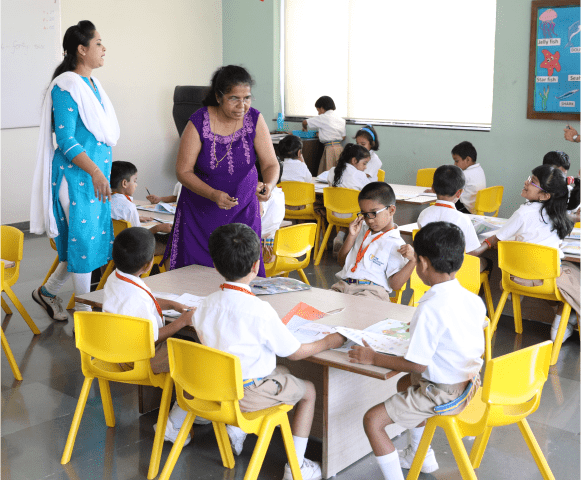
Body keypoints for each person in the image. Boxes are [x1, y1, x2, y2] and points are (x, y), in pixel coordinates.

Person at [164, 223, 345, 480]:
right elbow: (294, 352)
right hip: (244, 396)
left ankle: (236, 431)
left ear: (215, 265)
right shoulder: (260, 311)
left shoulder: (204, 306)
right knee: (309, 390)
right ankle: (296, 467)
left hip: (208, 390)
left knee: (280, 370)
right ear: (255, 266)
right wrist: (328, 342)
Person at [349, 222, 486, 480]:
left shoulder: (430, 307)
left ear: (422, 263)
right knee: (404, 384)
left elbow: (417, 365)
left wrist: (373, 357)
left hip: (443, 394)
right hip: (470, 384)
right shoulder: (472, 299)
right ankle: (418, 454)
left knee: (373, 421)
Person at [30, 21, 119, 321]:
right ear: (81, 49)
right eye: (98, 43)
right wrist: (95, 172)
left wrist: (98, 173)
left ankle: (47, 292)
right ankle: (84, 312)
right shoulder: (65, 86)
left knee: (85, 241)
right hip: (76, 177)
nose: (104, 48)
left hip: (94, 176)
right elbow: (66, 139)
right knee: (83, 242)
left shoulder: (93, 85)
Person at [161, 65, 280, 276]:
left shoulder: (254, 119)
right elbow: (183, 171)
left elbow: (271, 163)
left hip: (244, 211)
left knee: (242, 271)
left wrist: (269, 185)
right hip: (200, 213)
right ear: (218, 96)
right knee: (194, 276)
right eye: (234, 98)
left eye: (247, 98)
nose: (242, 105)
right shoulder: (198, 122)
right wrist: (212, 194)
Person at [471, 165, 578, 342]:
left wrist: (480, 248)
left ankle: (562, 318)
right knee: (572, 273)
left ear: (544, 195)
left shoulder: (523, 213)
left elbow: (497, 238)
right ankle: (562, 317)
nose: (526, 182)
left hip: (515, 279)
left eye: (533, 181)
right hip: (547, 282)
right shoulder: (558, 216)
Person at [102, 228, 194, 373]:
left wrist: (172, 304)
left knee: (184, 343)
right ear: (147, 265)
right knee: (194, 353)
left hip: (116, 347)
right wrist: (182, 321)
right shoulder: (135, 296)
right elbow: (152, 339)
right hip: (139, 358)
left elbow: (144, 300)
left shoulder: (115, 277)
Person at [331, 182, 415, 302]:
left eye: (374, 213)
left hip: (371, 291)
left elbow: (395, 285)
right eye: (365, 214)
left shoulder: (396, 243)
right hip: (343, 286)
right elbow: (341, 262)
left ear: (391, 210)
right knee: (318, 305)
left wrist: (413, 260)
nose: (369, 220)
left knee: (356, 309)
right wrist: (351, 236)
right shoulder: (361, 230)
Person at [417, 165, 484, 268]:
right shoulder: (463, 219)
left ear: (433, 188)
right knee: (487, 262)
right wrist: (488, 243)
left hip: (428, 267)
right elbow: (471, 252)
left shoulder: (424, 214)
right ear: (459, 193)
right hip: (454, 269)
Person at [110, 161, 171, 255]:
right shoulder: (128, 207)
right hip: (130, 252)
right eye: (134, 181)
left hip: (111, 247)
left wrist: (136, 217)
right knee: (173, 246)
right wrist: (158, 228)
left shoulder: (104, 200)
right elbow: (139, 237)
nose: (136, 184)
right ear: (124, 183)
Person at [327, 144, 372, 254]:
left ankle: (340, 235)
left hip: (334, 214)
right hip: (354, 217)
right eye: (364, 163)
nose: (365, 167)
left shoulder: (332, 171)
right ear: (354, 161)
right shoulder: (359, 175)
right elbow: (370, 191)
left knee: (346, 206)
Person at [302, 96, 346, 174]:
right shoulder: (341, 120)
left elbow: (305, 122)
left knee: (327, 174)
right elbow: (343, 137)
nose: (318, 113)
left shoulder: (323, 117)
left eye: (318, 110)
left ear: (322, 108)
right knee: (338, 174)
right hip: (339, 149)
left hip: (330, 149)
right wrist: (323, 134)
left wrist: (304, 128)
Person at [259, 160, 285, 262]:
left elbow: (258, 214)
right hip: (274, 246)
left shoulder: (263, 196)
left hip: (260, 250)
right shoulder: (280, 193)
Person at [450, 141, 485, 214]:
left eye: (457, 161)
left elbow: (449, 189)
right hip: (476, 209)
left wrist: (434, 190)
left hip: (466, 210)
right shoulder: (479, 170)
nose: (455, 164)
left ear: (468, 160)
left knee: (447, 199)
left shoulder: (464, 174)